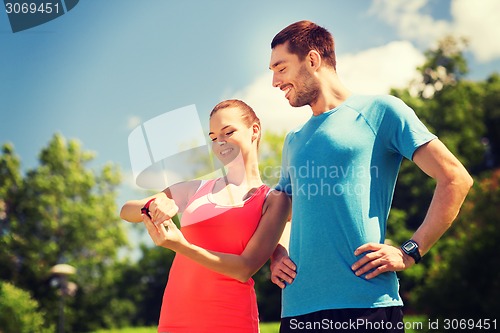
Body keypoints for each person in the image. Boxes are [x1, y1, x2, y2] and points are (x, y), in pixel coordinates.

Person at [267, 20, 473, 332]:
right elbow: (283, 210)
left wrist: (411, 251)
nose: (274, 81)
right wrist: (276, 251)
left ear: (312, 60)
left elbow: (455, 178)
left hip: (367, 306)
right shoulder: (294, 139)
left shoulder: (381, 111)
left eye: (280, 68)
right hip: (297, 309)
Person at [120, 99, 290, 333]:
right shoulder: (194, 189)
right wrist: (156, 203)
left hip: (230, 320)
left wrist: (181, 246)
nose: (220, 142)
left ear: (255, 130)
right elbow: (127, 210)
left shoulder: (274, 201)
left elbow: (244, 268)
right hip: (175, 319)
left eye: (228, 132)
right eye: (213, 137)